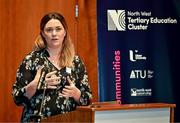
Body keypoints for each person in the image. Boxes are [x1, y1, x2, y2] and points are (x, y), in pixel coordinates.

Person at [12, 12, 92, 122]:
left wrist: (76, 94)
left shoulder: (76, 62)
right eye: (49, 30)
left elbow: (87, 99)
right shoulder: (31, 60)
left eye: (58, 29)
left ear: (65, 32)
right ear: (43, 34)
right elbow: (17, 98)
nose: (54, 33)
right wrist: (34, 86)